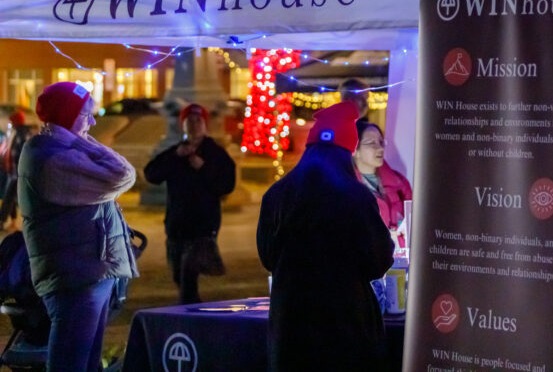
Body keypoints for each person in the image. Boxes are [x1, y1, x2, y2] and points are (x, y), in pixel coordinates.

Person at [257, 100, 394, 371]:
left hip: (290, 325)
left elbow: (268, 256)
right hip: (346, 325)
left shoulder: (277, 194)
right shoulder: (355, 197)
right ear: (347, 152)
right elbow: (379, 260)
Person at [19, 82, 138, 372]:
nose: (93, 122)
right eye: (86, 114)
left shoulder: (60, 149)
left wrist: (76, 136)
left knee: (88, 363)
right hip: (75, 275)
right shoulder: (51, 158)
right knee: (71, 363)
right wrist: (81, 140)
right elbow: (121, 175)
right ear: (65, 116)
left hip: (89, 270)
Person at [143, 103, 236, 304]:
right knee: (180, 276)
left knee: (188, 274)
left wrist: (204, 168)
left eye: (198, 120)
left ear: (205, 124)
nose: (194, 125)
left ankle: (189, 317)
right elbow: (151, 174)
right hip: (177, 225)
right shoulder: (176, 152)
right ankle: (193, 311)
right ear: (182, 125)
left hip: (203, 226)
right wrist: (175, 156)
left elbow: (227, 185)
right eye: (189, 121)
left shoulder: (215, 153)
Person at [353, 121, 411, 235]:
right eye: (371, 143)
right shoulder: (342, 189)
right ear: (355, 150)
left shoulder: (400, 184)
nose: (380, 148)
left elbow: (414, 220)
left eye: (381, 142)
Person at [0, 110, 32, 227]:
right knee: (11, 198)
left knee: (9, 197)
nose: (11, 124)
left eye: (12, 122)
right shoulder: (18, 133)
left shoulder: (22, 134)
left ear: (16, 122)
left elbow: (22, 155)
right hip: (14, 172)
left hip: (17, 173)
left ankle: (2, 221)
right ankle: (12, 221)